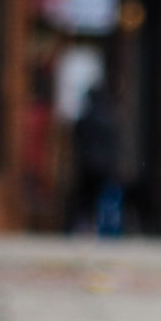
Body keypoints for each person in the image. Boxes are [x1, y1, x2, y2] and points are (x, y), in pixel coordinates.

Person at [70, 86, 121, 234]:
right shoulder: (109, 119)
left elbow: (77, 136)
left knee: (85, 199)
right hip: (104, 166)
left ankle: (85, 227)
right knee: (101, 199)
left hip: (87, 164)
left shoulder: (86, 119)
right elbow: (114, 143)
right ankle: (99, 226)